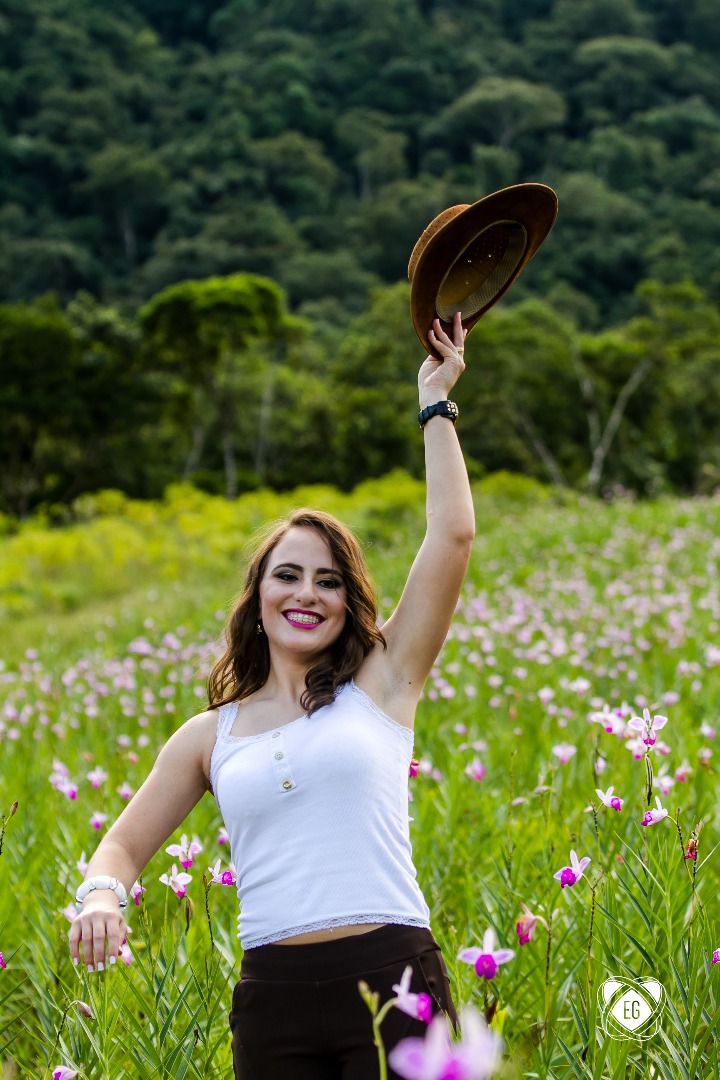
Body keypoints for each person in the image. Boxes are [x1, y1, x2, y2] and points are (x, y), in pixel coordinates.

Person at [68, 311, 475, 1079]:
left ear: (348, 601)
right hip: (272, 999)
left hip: (394, 975)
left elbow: (452, 536)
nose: (307, 593)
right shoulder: (208, 736)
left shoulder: (383, 680)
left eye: (328, 581)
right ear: (257, 595)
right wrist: (101, 898)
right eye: (287, 575)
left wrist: (435, 402)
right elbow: (120, 847)